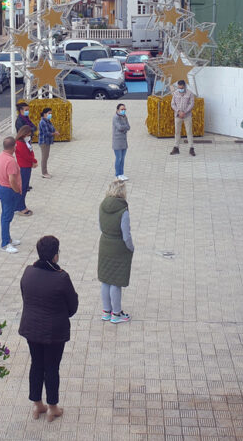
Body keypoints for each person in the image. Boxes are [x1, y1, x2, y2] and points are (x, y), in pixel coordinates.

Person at [19, 235, 79, 423]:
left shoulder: (28, 272)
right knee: (52, 367)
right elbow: (73, 306)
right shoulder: (61, 277)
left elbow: (25, 296)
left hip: (31, 328)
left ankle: (37, 404)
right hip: (54, 331)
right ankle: (53, 407)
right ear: (55, 255)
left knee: (37, 364)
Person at [98, 179, 134, 324]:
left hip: (105, 244)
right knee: (116, 282)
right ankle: (117, 314)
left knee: (105, 280)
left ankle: (106, 312)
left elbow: (100, 226)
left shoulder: (102, 205)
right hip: (119, 247)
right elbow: (126, 235)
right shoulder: (123, 210)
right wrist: (131, 247)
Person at [0, 137, 23, 253]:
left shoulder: (0, 156)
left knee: (6, 215)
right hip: (9, 190)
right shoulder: (11, 161)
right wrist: (17, 190)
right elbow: (12, 180)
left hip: (2, 188)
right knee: (7, 217)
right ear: (13, 147)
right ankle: (5, 243)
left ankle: (8, 238)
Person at [170, 79, 195, 156]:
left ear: (184, 86)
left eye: (181, 88)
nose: (180, 89)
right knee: (177, 132)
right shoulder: (175, 93)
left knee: (189, 132)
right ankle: (176, 148)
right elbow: (172, 104)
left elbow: (191, 104)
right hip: (178, 116)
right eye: (179, 88)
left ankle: (191, 148)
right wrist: (179, 111)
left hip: (187, 116)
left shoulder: (190, 93)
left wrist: (185, 112)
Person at [15, 125, 36, 216]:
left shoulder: (26, 142)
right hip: (23, 167)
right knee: (22, 188)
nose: (29, 137)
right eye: (28, 135)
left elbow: (30, 152)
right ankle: (20, 207)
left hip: (27, 166)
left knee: (25, 186)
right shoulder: (20, 144)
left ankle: (20, 205)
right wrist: (34, 161)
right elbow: (26, 156)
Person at [37, 107, 59, 178]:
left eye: (51, 114)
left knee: (46, 157)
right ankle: (44, 172)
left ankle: (45, 171)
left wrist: (55, 132)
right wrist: (54, 133)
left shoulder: (48, 121)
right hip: (44, 142)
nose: (50, 115)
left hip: (47, 142)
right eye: (49, 113)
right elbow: (46, 133)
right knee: (44, 157)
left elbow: (52, 129)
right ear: (44, 114)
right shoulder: (43, 122)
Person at [112, 103, 130, 181]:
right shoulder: (115, 117)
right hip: (117, 141)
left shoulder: (125, 117)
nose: (123, 111)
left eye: (124, 109)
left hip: (124, 141)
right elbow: (119, 127)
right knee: (118, 158)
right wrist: (124, 127)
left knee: (122, 159)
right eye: (122, 109)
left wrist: (124, 127)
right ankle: (117, 174)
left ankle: (121, 173)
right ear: (117, 110)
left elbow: (128, 127)